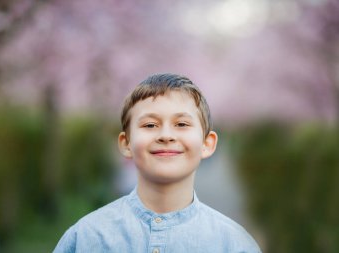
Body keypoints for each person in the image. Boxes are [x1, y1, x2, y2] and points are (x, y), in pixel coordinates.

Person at [53, 73, 262, 252]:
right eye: (150, 124)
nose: (166, 135)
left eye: (181, 124)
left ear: (207, 144)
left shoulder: (234, 245)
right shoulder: (87, 238)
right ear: (126, 143)